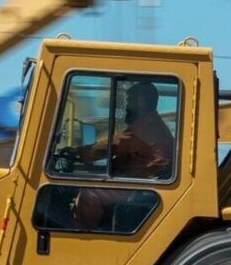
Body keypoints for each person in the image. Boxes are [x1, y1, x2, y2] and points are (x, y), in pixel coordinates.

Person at [72, 81, 175, 230]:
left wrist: (77, 153)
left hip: (142, 189)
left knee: (90, 193)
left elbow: (113, 145)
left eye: (129, 100)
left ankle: (80, 241)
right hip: (140, 183)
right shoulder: (150, 124)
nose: (126, 105)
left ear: (140, 101)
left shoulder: (148, 126)